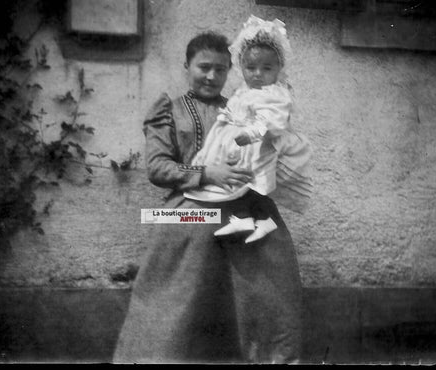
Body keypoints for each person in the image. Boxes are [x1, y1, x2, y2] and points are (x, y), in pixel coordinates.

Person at [113, 30, 304, 364]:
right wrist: (206, 173)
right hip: (189, 205)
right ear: (186, 66)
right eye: (203, 67)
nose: (212, 76)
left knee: (273, 263)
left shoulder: (242, 108)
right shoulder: (169, 111)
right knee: (195, 238)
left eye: (220, 69)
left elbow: (266, 144)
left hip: (245, 204)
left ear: (230, 70)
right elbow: (157, 169)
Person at [184, 15, 313, 244]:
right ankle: (243, 217)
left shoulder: (274, 93)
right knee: (238, 182)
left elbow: (271, 119)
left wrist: (250, 133)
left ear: (278, 69)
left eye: (266, 68)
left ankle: (258, 219)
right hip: (225, 154)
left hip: (256, 143)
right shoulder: (243, 91)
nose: (257, 74)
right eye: (250, 67)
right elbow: (235, 109)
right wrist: (227, 118)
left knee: (251, 181)